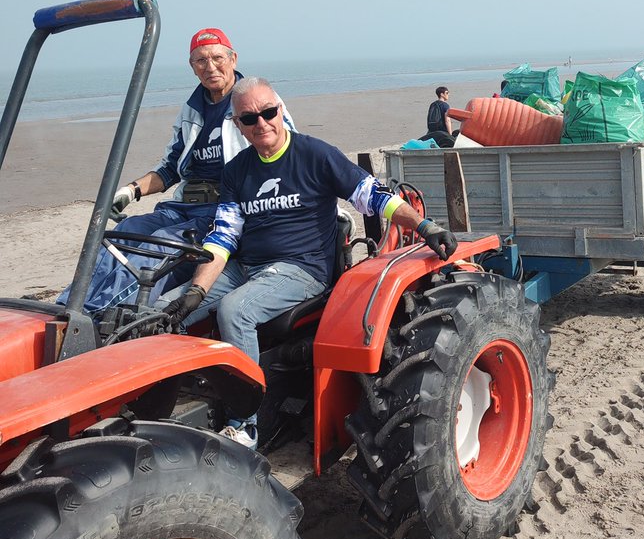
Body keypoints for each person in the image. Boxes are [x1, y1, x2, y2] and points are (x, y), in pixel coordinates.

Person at [164, 77, 457, 447]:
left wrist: (426, 226)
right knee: (164, 310)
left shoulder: (316, 155)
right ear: (238, 124)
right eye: (249, 118)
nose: (261, 124)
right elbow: (222, 237)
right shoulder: (236, 170)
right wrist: (195, 291)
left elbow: (373, 196)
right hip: (246, 265)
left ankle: (245, 424)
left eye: (268, 113)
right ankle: (163, 401)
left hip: (302, 269)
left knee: (235, 311)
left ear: (280, 110)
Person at [61, 28, 292, 314]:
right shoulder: (192, 110)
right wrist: (130, 191)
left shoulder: (254, 101)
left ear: (233, 59)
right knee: (122, 233)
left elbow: (285, 151)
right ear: (192, 67)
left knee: (162, 248)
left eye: (218, 58)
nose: (210, 67)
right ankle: (68, 305)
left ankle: (97, 316)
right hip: (184, 205)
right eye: (201, 61)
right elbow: (170, 167)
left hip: (223, 209)